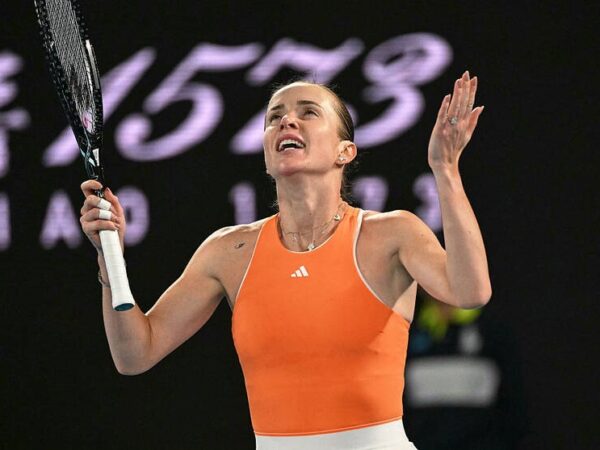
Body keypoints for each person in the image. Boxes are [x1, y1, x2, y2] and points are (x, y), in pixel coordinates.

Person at [79, 71, 490, 450]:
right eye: (274, 117)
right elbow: (135, 354)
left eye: (308, 113)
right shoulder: (228, 251)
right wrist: (107, 259)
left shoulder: (391, 233)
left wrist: (446, 170)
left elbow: (470, 291)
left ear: (344, 152)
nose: (286, 122)